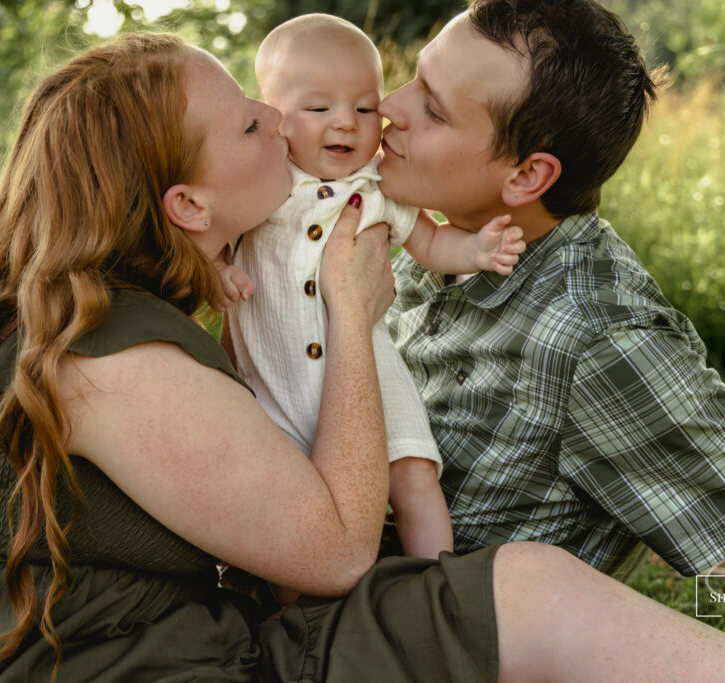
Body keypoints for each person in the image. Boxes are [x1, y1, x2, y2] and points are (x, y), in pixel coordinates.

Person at [0, 27, 725, 683]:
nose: (287, 125)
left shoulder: (100, 304)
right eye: (250, 122)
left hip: (129, 633)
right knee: (528, 586)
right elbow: (332, 550)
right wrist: (347, 310)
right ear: (188, 205)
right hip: (160, 663)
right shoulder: (109, 357)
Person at [380, 0, 725, 646]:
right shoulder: (429, 238)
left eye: (432, 107)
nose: (388, 108)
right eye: (415, 78)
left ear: (527, 175)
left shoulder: (595, 338)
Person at [221, 13, 525, 561]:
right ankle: (290, 617)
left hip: (370, 376)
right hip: (275, 382)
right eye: (319, 109)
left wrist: (476, 251)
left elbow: (429, 241)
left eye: (364, 108)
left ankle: (437, 579)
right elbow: (217, 236)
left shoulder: (376, 189)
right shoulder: (264, 183)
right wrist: (217, 269)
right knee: (288, 507)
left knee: (413, 477)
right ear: (272, 115)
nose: (346, 124)